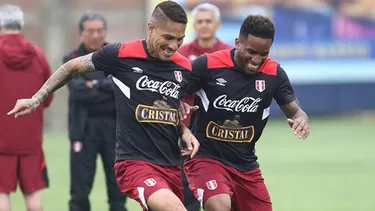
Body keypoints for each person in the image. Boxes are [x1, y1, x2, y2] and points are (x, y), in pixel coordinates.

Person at [7, 1, 199, 211]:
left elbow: (170, 107)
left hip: (171, 164)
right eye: (168, 38)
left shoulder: (184, 66)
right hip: (136, 163)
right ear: (151, 28)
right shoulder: (121, 54)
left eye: (180, 40)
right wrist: (36, 98)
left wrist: (184, 130)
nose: (173, 46)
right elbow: (72, 67)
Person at [181, 15, 310, 211]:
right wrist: (179, 107)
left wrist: (302, 120)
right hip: (206, 157)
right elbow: (171, 93)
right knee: (219, 205)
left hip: (245, 164)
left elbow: (296, 110)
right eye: (250, 52)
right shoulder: (207, 65)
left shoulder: (274, 73)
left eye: (263, 54)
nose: (256, 60)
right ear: (238, 43)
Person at [63, 11, 127, 211]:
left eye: (100, 30)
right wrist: (106, 84)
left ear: (105, 32)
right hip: (83, 130)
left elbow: (121, 89)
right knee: (79, 193)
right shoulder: (71, 58)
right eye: (91, 31)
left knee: (118, 191)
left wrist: (93, 84)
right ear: (81, 34)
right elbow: (79, 92)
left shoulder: (116, 57)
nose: (96, 35)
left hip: (115, 130)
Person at [177, 3, 231, 210]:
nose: (204, 25)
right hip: (188, 128)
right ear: (194, 25)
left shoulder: (229, 54)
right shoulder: (182, 54)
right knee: (187, 184)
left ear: (218, 24)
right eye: (200, 21)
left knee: (223, 186)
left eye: (209, 21)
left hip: (221, 130)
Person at [0, 4, 53, 211]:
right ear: (20, 24)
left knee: (2, 191)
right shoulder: (38, 55)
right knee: (32, 192)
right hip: (30, 138)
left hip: (1, 138)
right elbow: (47, 96)